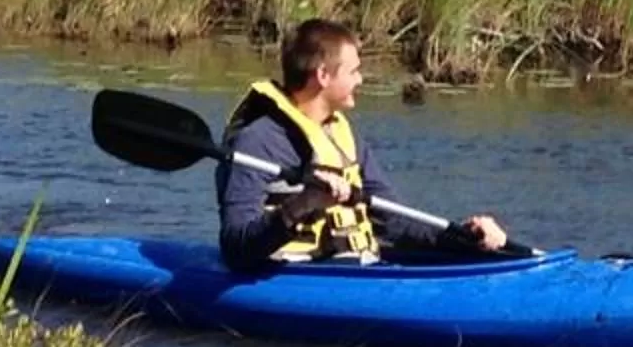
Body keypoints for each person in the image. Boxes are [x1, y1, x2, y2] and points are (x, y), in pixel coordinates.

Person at [217, 18, 509, 268]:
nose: (360, 80)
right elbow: (236, 248)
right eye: (353, 71)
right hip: (293, 275)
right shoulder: (258, 142)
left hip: (357, 268)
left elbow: (395, 221)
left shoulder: (345, 139)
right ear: (322, 75)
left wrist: (466, 239)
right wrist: (306, 202)